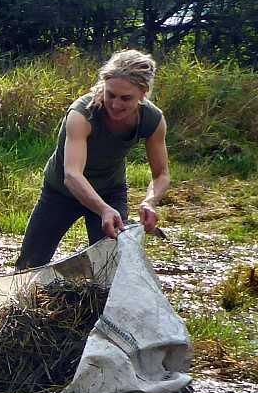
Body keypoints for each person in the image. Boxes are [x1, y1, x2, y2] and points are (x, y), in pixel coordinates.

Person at [14, 49, 171, 270]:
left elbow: (161, 174)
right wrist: (103, 209)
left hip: (110, 190)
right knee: (29, 264)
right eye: (111, 95)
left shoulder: (153, 120)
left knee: (110, 266)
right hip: (61, 192)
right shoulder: (82, 114)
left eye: (126, 98)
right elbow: (72, 175)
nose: (116, 104)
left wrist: (149, 201)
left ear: (143, 93)